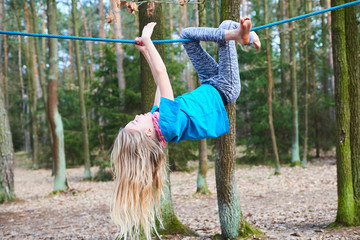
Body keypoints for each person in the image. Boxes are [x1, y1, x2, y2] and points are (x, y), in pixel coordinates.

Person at [111, 17, 261, 240]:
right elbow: (163, 76)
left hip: (211, 81)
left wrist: (145, 53)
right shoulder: (166, 123)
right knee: (226, 27)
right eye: (134, 122)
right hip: (226, 87)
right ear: (148, 134)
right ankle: (242, 36)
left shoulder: (158, 120)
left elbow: (156, 79)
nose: (135, 116)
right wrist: (148, 40)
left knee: (188, 37)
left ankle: (246, 38)